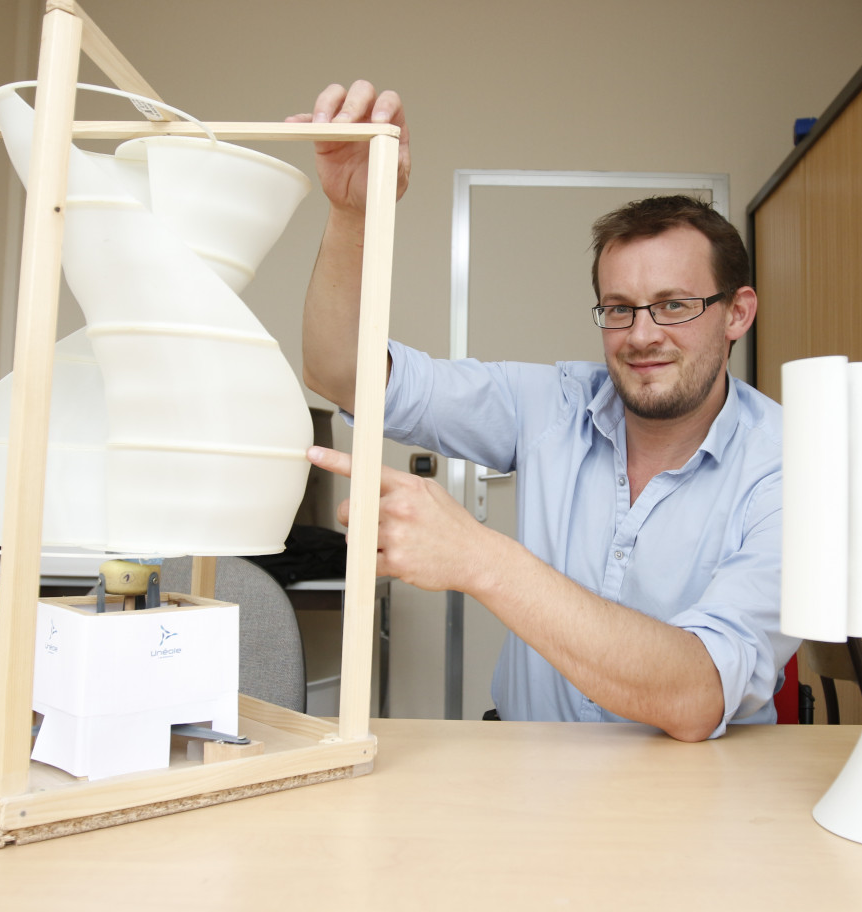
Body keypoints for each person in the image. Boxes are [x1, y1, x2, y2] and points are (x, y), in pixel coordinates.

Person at [289, 81, 796, 742]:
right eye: (619, 308)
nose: (642, 335)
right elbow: (341, 372)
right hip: (530, 780)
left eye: (674, 305)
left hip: (697, 800)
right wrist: (355, 214)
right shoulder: (554, 404)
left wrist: (480, 558)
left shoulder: (789, 466)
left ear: (738, 313)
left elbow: (698, 694)